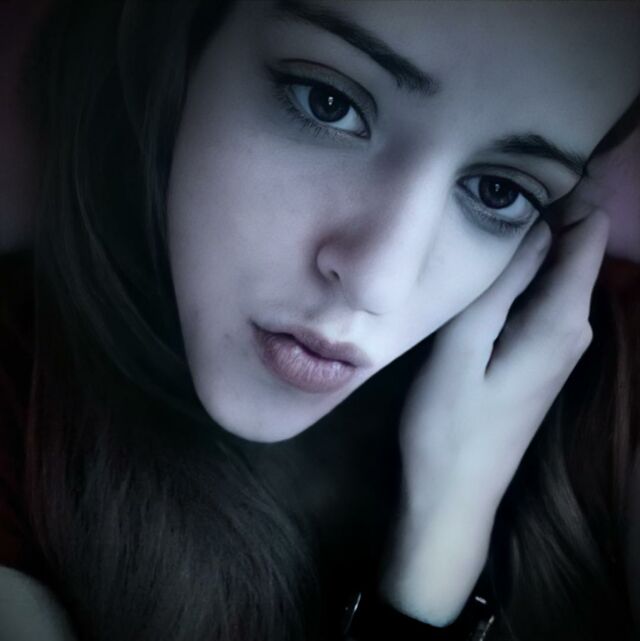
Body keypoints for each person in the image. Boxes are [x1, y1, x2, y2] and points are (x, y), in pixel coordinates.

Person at [0, 1, 639, 639]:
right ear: (186, 45)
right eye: (328, 103)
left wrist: (458, 505)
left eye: (501, 191)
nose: (378, 283)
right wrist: (429, 575)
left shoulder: (617, 390)